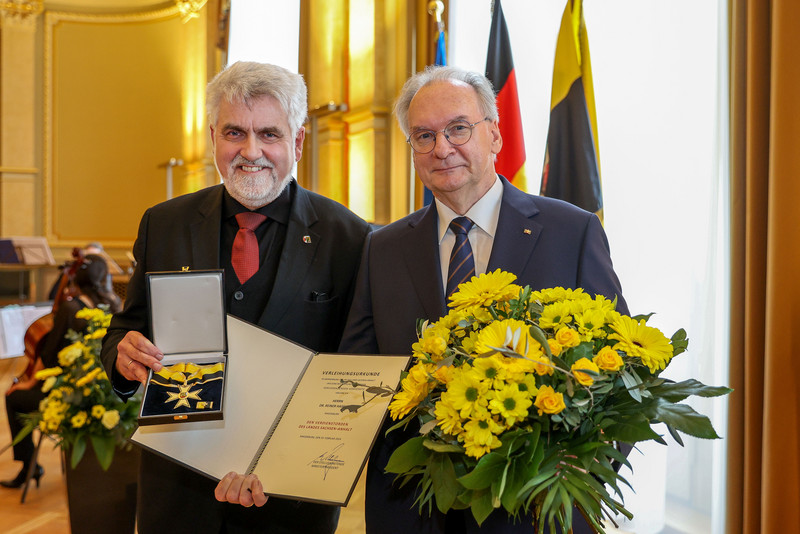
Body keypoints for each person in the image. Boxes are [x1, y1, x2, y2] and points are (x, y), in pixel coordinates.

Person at [338, 65, 629, 533]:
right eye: (424, 136)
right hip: (414, 512)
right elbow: (358, 378)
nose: (442, 148)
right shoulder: (382, 248)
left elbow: (622, 373)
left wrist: (577, 480)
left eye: (458, 128)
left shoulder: (571, 232)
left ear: (494, 135)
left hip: (536, 511)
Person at [100, 61, 370, 534]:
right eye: (234, 133)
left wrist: (284, 463)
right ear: (213, 140)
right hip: (178, 492)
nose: (251, 151)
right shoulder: (164, 223)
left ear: (298, 142)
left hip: (289, 500)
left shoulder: (349, 237)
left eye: (269, 133)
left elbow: (353, 368)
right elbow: (129, 326)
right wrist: (122, 354)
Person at [3, 254, 122, 488]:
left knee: (14, 398)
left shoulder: (70, 308)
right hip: (105, 394)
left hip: (71, 396)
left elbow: (48, 354)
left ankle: (29, 466)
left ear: (77, 278)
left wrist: (28, 382)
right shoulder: (114, 304)